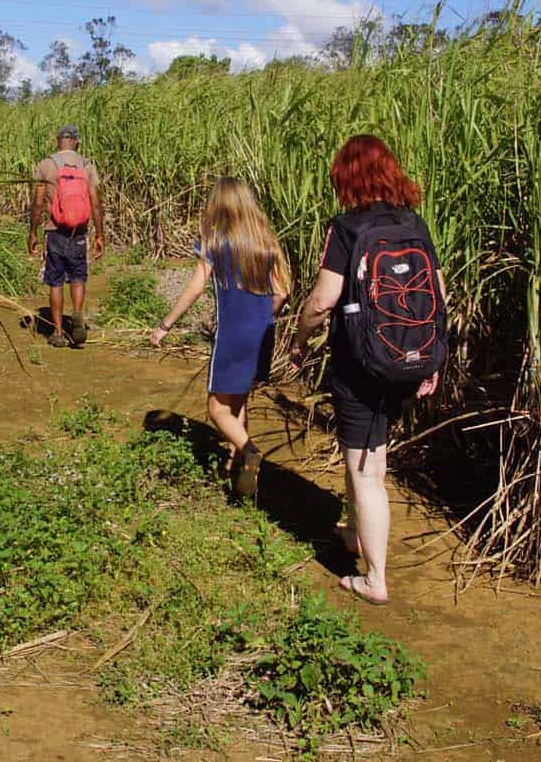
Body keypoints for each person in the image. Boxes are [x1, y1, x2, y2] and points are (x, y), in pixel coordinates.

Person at [289, 135, 446, 607]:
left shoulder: (347, 228)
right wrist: (433, 357)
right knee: (369, 454)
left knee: (367, 470)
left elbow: (322, 301)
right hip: (408, 359)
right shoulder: (413, 223)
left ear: (346, 177)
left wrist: (298, 340)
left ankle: (374, 577)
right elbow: (438, 294)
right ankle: (355, 532)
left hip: (360, 363)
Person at [151, 177, 291, 499]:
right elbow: (283, 292)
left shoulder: (214, 240)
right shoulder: (264, 240)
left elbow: (197, 286)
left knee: (216, 409)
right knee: (239, 399)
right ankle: (237, 470)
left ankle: (250, 451)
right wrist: (263, 314)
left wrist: (165, 324)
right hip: (263, 331)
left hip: (232, 333)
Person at [29, 124, 106, 347]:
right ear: (76, 141)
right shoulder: (86, 165)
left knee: (55, 281)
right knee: (78, 277)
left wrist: (32, 232)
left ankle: (58, 333)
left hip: (55, 232)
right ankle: (78, 315)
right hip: (79, 233)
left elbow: (38, 203)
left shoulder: (46, 164)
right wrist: (100, 235)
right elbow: (96, 204)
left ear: (57, 141)